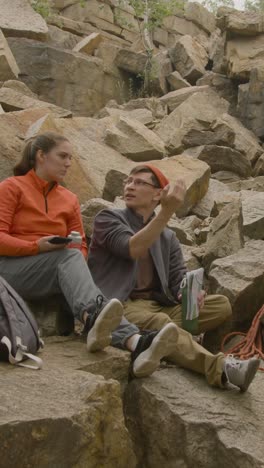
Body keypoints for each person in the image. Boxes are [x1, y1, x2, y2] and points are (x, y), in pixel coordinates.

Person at [0, 132, 180, 377]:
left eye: (71, 158)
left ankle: (136, 343)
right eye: (62, 156)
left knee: (73, 257)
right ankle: (96, 319)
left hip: (52, 269)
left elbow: (80, 245)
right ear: (41, 156)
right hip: (9, 270)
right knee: (69, 260)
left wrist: (71, 253)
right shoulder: (11, 187)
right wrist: (37, 246)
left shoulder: (69, 198)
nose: (68, 163)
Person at [88, 164, 260, 391]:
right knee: (162, 323)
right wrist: (167, 212)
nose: (130, 186)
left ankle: (162, 339)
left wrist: (188, 293)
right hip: (120, 303)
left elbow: (177, 276)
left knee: (221, 305)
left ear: (158, 194)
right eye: (128, 181)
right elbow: (132, 249)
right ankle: (222, 369)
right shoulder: (108, 218)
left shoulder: (167, 237)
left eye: (139, 182)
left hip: (158, 304)